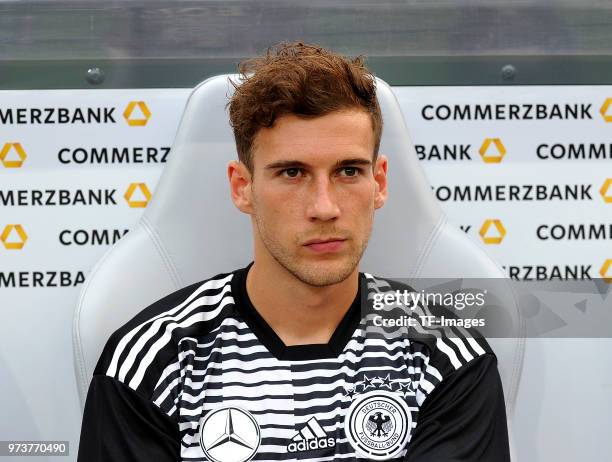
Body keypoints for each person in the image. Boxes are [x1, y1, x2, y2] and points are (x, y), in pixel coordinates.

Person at [77, 41, 510, 462]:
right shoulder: (151, 362)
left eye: (348, 171)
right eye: (292, 172)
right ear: (242, 187)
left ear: (378, 183)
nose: (324, 208)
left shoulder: (444, 354)